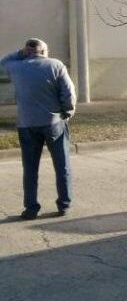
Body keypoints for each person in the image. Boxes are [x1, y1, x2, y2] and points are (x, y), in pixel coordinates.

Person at [1, 39, 76, 220]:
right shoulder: (56, 64)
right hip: (54, 123)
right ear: (44, 51)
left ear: (27, 51)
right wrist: (68, 110)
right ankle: (64, 204)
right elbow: (68, 91)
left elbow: (2, 63)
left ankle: (31, 208)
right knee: (62, 164)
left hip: (27, 124)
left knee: (30, 168)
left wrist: (20, 53)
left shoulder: (16, 67)